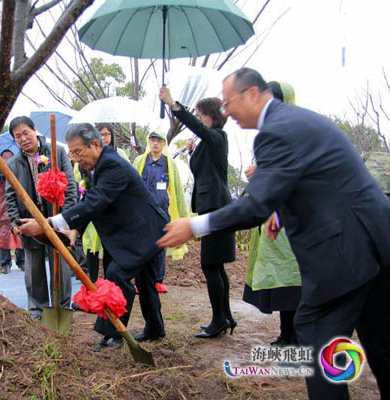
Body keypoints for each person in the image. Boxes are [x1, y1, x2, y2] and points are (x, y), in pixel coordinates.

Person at [157, 67, 390, 399]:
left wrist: (194, 225)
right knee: (381, 343)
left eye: (228, 102)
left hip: (346, 250)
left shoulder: (276, 131)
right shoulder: (297, 121)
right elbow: (312, 184)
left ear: (252, 94)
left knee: (314, 336)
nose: (227, 111)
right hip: (376, 239)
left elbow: (255, 206)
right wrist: (282, 212)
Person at [18, 123, 168, 352]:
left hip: (145, 230)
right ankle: (155, 329)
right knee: (146, 281)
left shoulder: (113, 165)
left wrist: (47, 224)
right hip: (136, 230)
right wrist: (74, 230)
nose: (76, 158)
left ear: (95, 144)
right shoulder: (93, 166)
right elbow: (90, 202)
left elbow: (95, 202)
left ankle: (113, 335)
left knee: (117, 274)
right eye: (72, 153)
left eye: (79, 152)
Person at [159, 88, 236, 339]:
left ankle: (218, 320)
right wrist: (193, 152)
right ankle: (225, 317)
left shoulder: (218, 136)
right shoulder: (210, 141)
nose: (199, 118)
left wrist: (174, 105)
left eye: (201, 114)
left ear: (212, 116)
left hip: (216, 208)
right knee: (216, 266)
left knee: (210, 265)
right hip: (211, 207)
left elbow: (200, 129)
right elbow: (206, 168)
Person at [243, 81, 302, 347]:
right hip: (274, 220)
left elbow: (295, 175)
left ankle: (298, 337)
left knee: (293, 280)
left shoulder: (298, 133)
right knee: (281, 282)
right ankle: (286, 334)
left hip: (294, 220)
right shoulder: (273, 134)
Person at [4, 116, 77, 321]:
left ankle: (63, 307)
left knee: (61, 267)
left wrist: (67, 217)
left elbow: (70, 185)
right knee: (33, 268)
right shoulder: (14, 163)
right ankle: (37, 310)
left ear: (34, 131)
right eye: (17, 136)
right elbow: (10, 196)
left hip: (57, 218)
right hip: (29, 220)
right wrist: (14, 223)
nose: (23, 138)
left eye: (26, 133)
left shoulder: (56, 152)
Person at [133, 129, 189, 293]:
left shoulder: (169, 163)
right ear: (149, 142)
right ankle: (139, 280)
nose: (155, 143)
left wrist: (183, 214)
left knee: (160, 245)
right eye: (152, 140)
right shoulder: (140, 161)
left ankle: (158, 280)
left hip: (162, 211)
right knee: (141, 245)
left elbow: (177, 189)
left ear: (164, 143)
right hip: (142, 211)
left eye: (159, 140)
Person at [74, 123, 129, 282]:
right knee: (91, 248)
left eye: (106, 134)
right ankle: (91, 284)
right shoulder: (85, 158)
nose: (103, 137)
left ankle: (110, 286)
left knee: (110, 248)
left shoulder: (119, 155)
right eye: (100, 134)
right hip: (92, 208)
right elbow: (79, 181)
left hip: (113, 210)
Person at [0, 148, 24, 274]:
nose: (7, 159)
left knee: (20, 233)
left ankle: (22, 261)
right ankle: (5, 263)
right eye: (4, 156)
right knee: (3, 236)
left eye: (10, 156)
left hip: (18, 206)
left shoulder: (19, 171)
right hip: (2, 208)